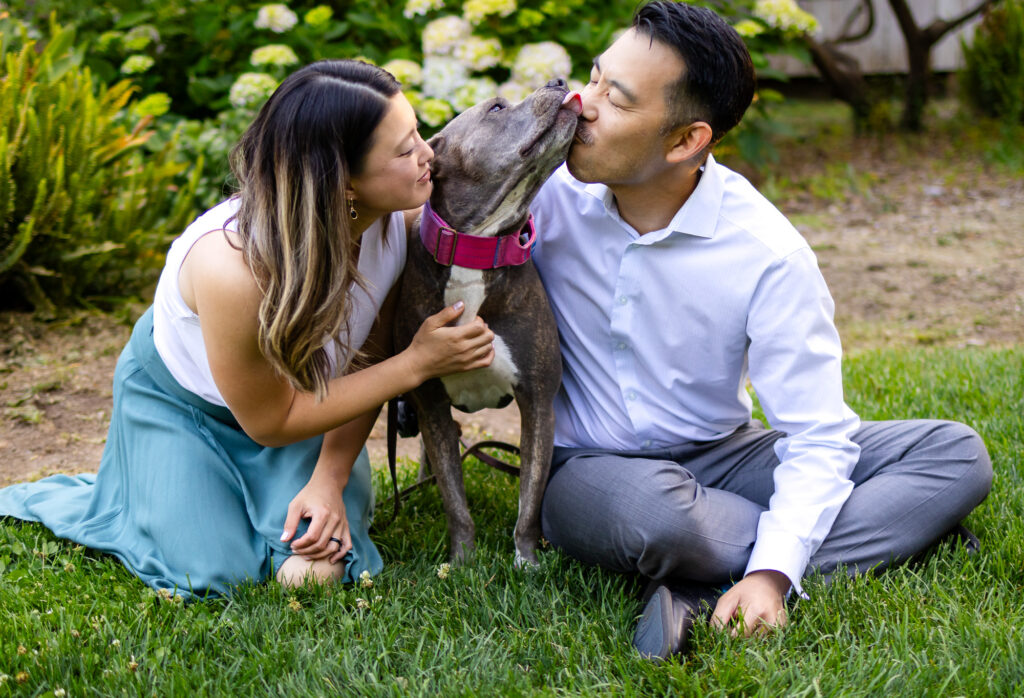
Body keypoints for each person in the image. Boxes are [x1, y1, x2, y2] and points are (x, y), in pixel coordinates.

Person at [529, 1, 992, 659]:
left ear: (686, 140)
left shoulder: (765, 250)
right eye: (594, 77)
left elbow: (816, 435)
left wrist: (772, 573)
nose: (582, 103)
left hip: (726, 454)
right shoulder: (545, 188)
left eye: (616, 98)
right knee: (658, 517)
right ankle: (884, 535)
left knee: (954, 454)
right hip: (591, 469)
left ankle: (711, 587)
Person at [0, 60, 495, 597]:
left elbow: (364, 360)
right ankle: (149, 487)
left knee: (316, 573)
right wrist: (418, 363)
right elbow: (271, 421)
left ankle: (274, 500)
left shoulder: (396, 223)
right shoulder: (232, 268)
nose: (430, 154)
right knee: (211, 572)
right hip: (186, 409)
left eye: (417, 132)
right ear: (341, 181)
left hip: (310, 408)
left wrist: (328, 479)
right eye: (404, 150)